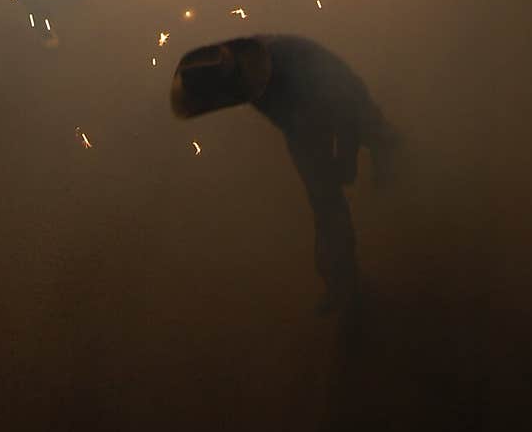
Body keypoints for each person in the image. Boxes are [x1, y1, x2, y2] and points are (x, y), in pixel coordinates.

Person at [171, 36, 400, 317]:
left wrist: (346, 155)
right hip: (303, 123)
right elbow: (294, 120)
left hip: (343, 98)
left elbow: (343, 106)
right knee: (326, 206)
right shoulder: (246, 77)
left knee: (384, 145)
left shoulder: (292, 67)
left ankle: (412, 224)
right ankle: (345, 288)